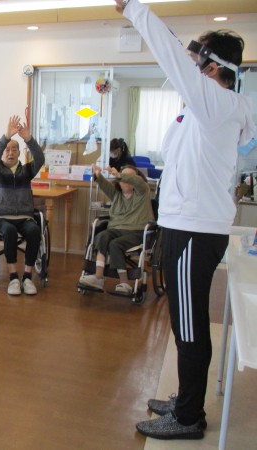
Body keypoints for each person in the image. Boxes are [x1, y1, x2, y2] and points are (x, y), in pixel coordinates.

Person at [115, 0, 256, 440]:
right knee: (183, 323)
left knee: (190, 325)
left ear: (212, 68)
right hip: (185, 225)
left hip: (195, 229)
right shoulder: (202, 108)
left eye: (197, 60)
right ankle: (186, 400)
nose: (189, 65)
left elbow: (170, 53)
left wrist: (134, 9)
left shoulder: (218, 102)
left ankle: (189, 417)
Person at [0, 114, 45, 296]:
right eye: (7, 149)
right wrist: (6, 136)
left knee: (35, 231)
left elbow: (40, 159)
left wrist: (28, 139)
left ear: (20, 153)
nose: (10, 152)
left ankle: (27, 277)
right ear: (3, 153)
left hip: (25, 217)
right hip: (3, 217)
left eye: (14, 149)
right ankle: (13, 277)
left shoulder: (26, 170)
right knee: (10, 231)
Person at [78, 164, 154, 294]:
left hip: (136, 231)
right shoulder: (116, 194)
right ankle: (98, 277)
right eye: (123, 177)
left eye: (129, 177)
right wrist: (98, 175)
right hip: (116, 229)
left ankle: (124, 283)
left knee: (115, 244)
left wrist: (120, 175)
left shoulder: (142, 192)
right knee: (102, 236)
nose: (125, 180)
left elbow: (139, 182)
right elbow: (104, 185)